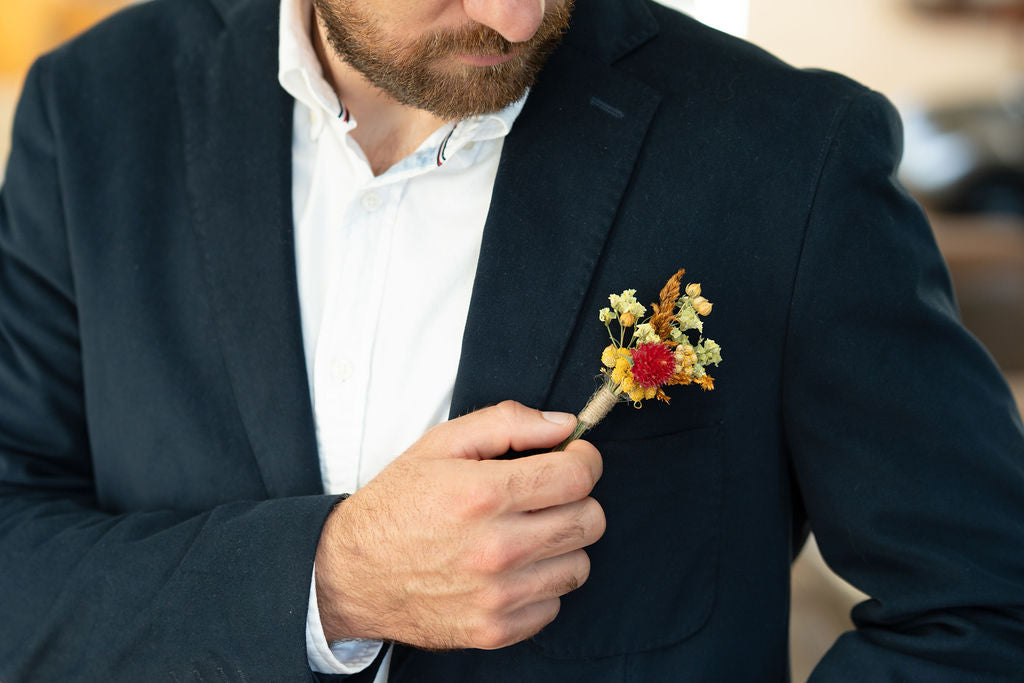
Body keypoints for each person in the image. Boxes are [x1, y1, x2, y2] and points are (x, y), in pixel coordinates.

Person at [1, 0, 1022, 680]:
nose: (518, 15)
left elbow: (985, 604)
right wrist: (333, 578)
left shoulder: (786, 150)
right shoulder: (90, 112)